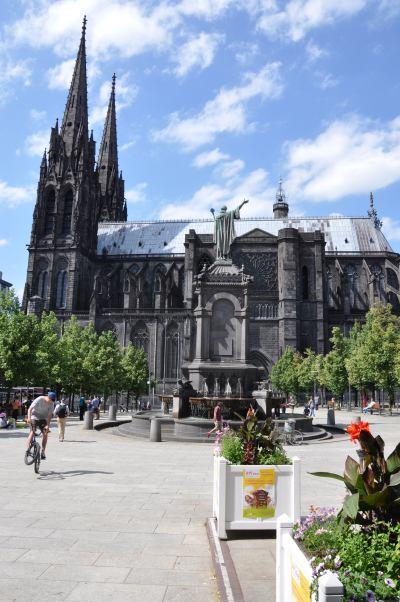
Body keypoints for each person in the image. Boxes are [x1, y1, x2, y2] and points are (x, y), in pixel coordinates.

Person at [26, 392, 56, 460]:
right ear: (47, 397)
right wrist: (29, 418)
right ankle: (28, 450)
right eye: (50, 400)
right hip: (34, 416)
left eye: (53, 400)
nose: (51, 402)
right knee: (32, 431)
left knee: (45, 433)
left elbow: (49, 416)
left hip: (43, 418)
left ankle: (43, 451)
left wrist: (48, 426)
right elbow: (30, 409)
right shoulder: (40, 399)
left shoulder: (52, 403)